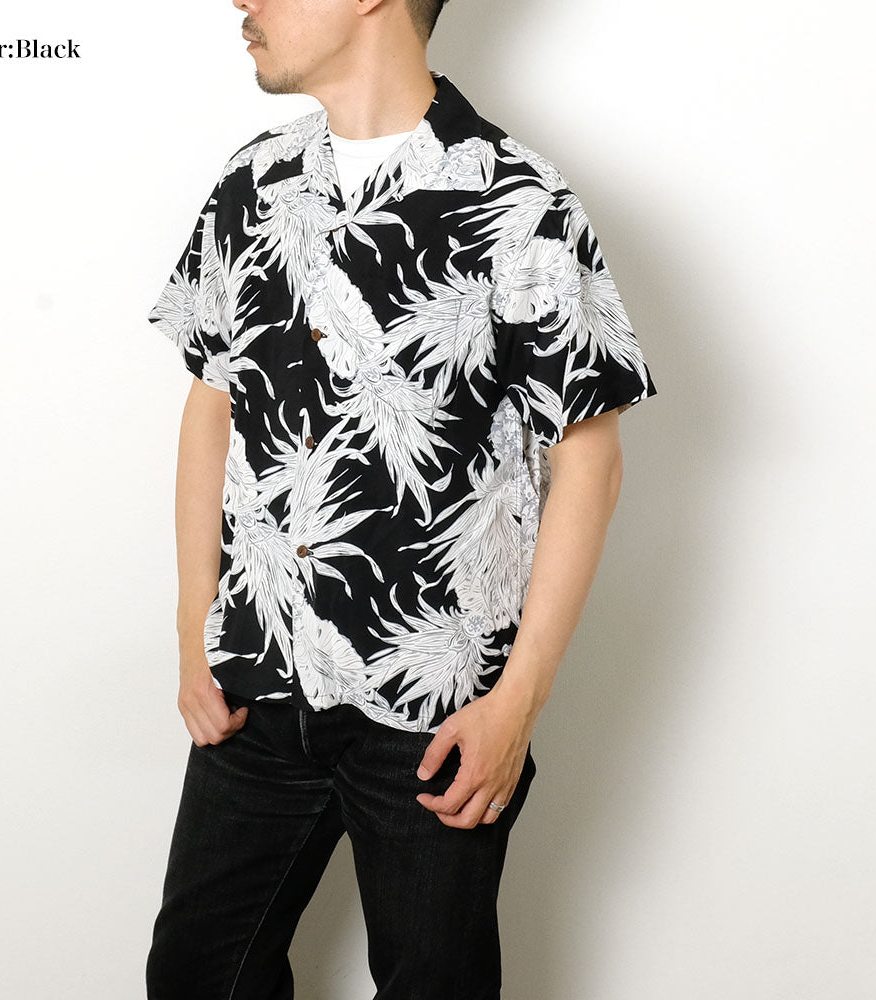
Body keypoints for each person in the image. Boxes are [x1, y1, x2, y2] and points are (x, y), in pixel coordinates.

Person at [144, 1, 657, 997]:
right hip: (257, 688)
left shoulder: (517, 200)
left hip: (438, 714)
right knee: (197, 974)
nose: (242, 1)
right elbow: (211, 404)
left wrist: (518, 703)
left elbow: (589, 460)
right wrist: (191, 628)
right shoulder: (251, 183)